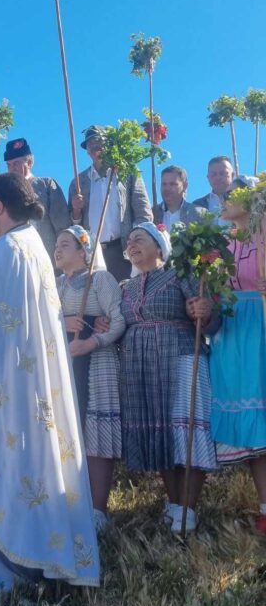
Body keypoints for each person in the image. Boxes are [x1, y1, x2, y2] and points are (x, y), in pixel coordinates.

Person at [0, 174, 100, 604]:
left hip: (4, 397)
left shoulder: (0, 258)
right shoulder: (33, 248)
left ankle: (5, 577)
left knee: (7, 470)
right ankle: (45, 562)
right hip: (29, 388)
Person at [119, 222, 218, 533]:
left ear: (159, 247)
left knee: (185, 430)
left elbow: (210, 321)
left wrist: (204, 310)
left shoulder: (182, 275)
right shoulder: (127, 287)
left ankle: (189, 508)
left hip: (181, 357)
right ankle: (175, 503)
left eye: (140, 239)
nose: (132, 244)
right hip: (143, 367)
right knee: (161, 431)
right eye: (129, 241)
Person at [54, 227, 125, 529]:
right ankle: (69, 502)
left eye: (65, 244)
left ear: (84, 252)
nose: (57, 249)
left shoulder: (100, 280)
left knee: (96, 434)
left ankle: (97, 510)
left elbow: (118, 319)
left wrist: (91, 341)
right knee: (67, 432)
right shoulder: (53, 285)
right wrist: (61, 321)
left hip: (96, 361)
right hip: (65, 361)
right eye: (55, 244)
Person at [208, 193, 266, 533]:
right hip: (231, 332)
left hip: (260, 324)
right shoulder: (220, 247)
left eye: (235, 195)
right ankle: (265, 506)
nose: (227, 200)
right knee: (255, 427)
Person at [69, 126, 152, 281]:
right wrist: (76, 211)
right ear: (87, 150)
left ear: (110, 144)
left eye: (100, 140)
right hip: (93, 255)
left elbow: (143, 212)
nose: (95, 145)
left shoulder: (127, 173)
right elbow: (73, 225)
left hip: (123, 252)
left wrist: (137, 243)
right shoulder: (78, 183)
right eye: (90, 143)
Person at [5, 138, 69, 261]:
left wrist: (63, 257)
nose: (12, 168)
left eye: (16, 163)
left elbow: (62, 225)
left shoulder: (46, 185)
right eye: (9, 165)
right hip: (19, 261)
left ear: (29, 163)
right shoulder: (6, 193)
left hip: (48, 258)